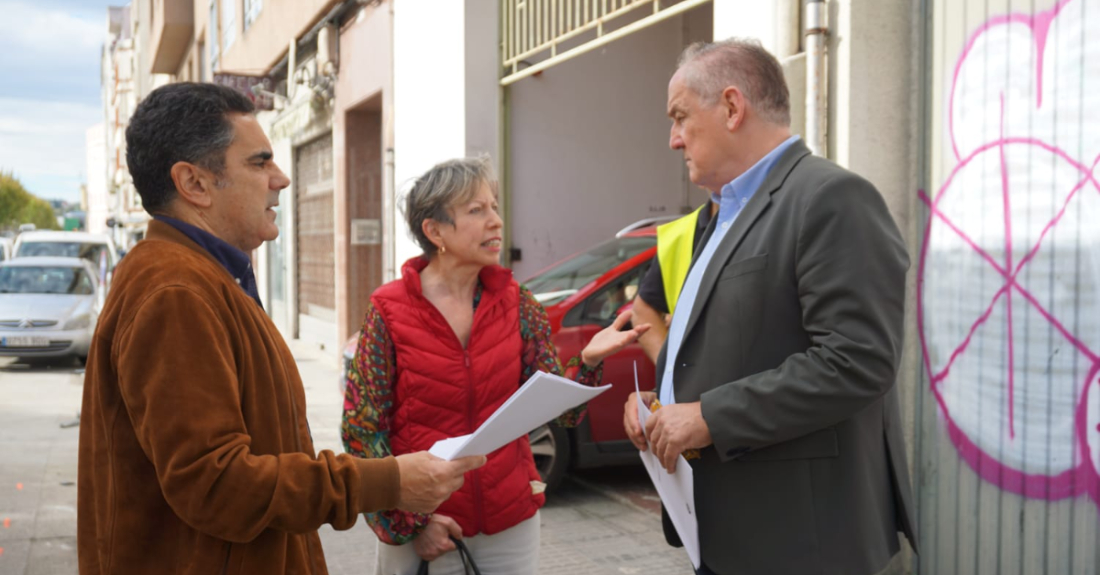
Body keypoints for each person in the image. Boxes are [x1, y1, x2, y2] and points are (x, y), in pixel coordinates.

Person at [77, 83, 484, 575]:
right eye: (259, 162)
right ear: (194, 184)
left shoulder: (204, 277)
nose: (282, 178)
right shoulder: (176, 292)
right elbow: (217, 485)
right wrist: (387, 481)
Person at [622, 39, 918, 575]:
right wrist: (662, 404)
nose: (672, 139)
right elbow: (735, 343)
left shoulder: (830, 198)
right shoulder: (719, 216)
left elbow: (857, 361)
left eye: (681, 117)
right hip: (729, 533)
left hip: (802, 543)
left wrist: (709, 415)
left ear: (733, 108)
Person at [341, 156, 648, 575]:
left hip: (510, 522)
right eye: (476, 210)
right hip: (428, 528)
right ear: (435, 231)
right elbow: (361, 429)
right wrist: (408, 524)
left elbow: (562, 412)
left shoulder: (518, 304)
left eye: (494, 207)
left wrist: (589, 360)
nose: (496, 221)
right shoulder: (388, 311)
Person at [632, 200, 716, 363]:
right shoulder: (681, 232)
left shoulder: (769, 217)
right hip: (697, 383)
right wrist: (670, 372)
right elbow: (643, 310)